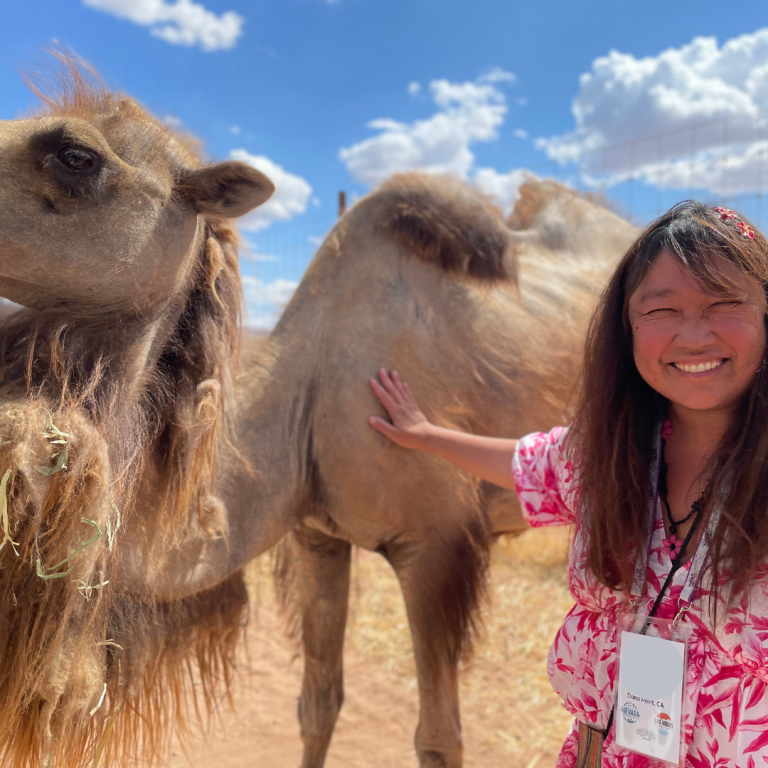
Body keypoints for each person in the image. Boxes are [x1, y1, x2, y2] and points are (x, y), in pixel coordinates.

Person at [368, 202, 768, 768]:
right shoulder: (615, 453)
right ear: (627, 327)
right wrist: (426, 435)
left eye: (724, 303)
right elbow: (528, 462)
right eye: (662, 309)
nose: (693, 334)